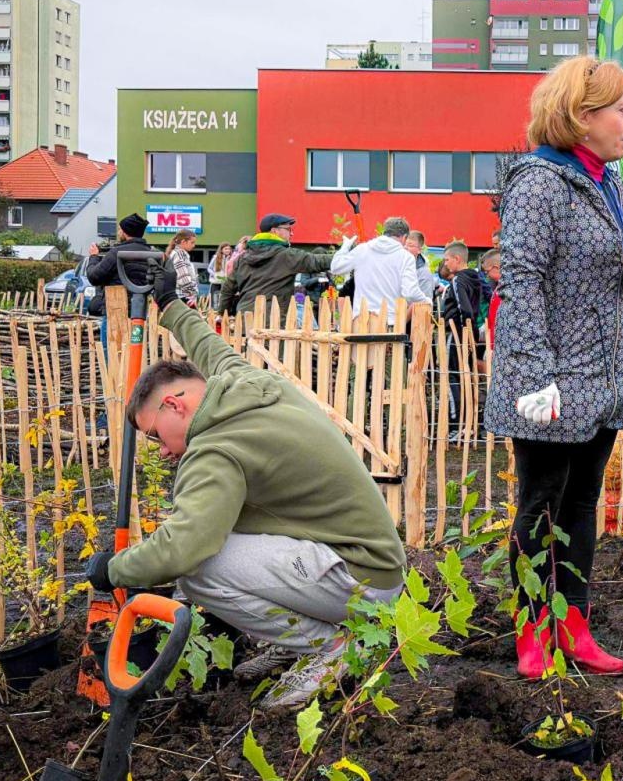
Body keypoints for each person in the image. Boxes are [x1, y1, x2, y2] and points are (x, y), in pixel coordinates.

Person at [84, 266, 408, 711]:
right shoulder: (246, 385)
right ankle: (305, 636)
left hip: (359, 581)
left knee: (198, 567)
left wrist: (112, 569)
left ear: (175, 405)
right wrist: (172, 308)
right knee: (216, 541)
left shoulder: (215, 449)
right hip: (374, 563)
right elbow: (211, 347)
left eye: (155, 435)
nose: (159, 450)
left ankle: (326, 647)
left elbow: (183, 548)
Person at [485, 56, 623, 680]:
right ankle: (533, 628)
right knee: (540, 505)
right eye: (621, 109)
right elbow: (522, 280)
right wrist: (533, 375)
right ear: (582, 119)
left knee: (582, 504)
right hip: (552, 380)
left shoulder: (608, 182)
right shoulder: (539, 183)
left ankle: (574, 622)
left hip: (602, 377)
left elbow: (619, 280)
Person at [218, 214, 342, 318]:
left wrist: (222, 314)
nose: (291, 234)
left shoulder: (242, 258)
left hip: (246, 319)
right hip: (274, 323)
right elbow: (316, 261)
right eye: (288, 229)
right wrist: (347, 257)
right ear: (274, 231)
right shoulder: (286, 256)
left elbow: (228, 289)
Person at [330, 215, 431, 321]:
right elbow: (410, 293)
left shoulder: (362, 249)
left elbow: (336, 267)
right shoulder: (406, 257)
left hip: (361, 320)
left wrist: (344, 248)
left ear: (385, 232)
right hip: (389, 321)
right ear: (404, 237)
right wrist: (426, 300)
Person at [437, 241, 486, 435]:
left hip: (457, 332)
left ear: (457, 259)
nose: (446, 264)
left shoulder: (458, 280)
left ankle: (456, 423)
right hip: (468, 333)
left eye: (447, 260)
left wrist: (466, 328)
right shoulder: (476, 277)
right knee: (466, 376)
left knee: (452, 376)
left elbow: (463, 307)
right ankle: (468, 422)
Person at [86, 212, 153, 317]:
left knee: (110, 333)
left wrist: (94, 257)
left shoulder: (116, 253)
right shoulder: (152, 254)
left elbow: (94, 277)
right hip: (140, 310)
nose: (118, 232)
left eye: (119, 229)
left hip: (115, 310)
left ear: (125, 232)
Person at [164, 231, 200, 306]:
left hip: (178, 295)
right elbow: (183, 276)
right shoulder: (180, 254)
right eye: (192, 242)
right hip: (183, 296)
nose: (194, 245)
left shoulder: (175, 253)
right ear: (183, 242)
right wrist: (192, 293)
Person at [481, 249, 503, 363]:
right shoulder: (499, 287)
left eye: (487, 271)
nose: (487, 275)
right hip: (494, 344)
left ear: (496, 267)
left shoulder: (507, 289)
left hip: (501, 346)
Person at [405, 230, 437, 301]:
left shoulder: (424, 273)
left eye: (410, 245)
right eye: (404, 244)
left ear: (420, 250)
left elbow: (424, 303)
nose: (405, 248)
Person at [208, 243, 234, 309]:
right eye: (226, 249)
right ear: (221, 250)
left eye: (229, 249)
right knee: (215, 301)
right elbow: (209, 268)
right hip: (216, 283)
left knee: (223, 301)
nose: (228, 250)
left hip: (226, 283)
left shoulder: (232, 258)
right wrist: (214, 275)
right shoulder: (216, 257)